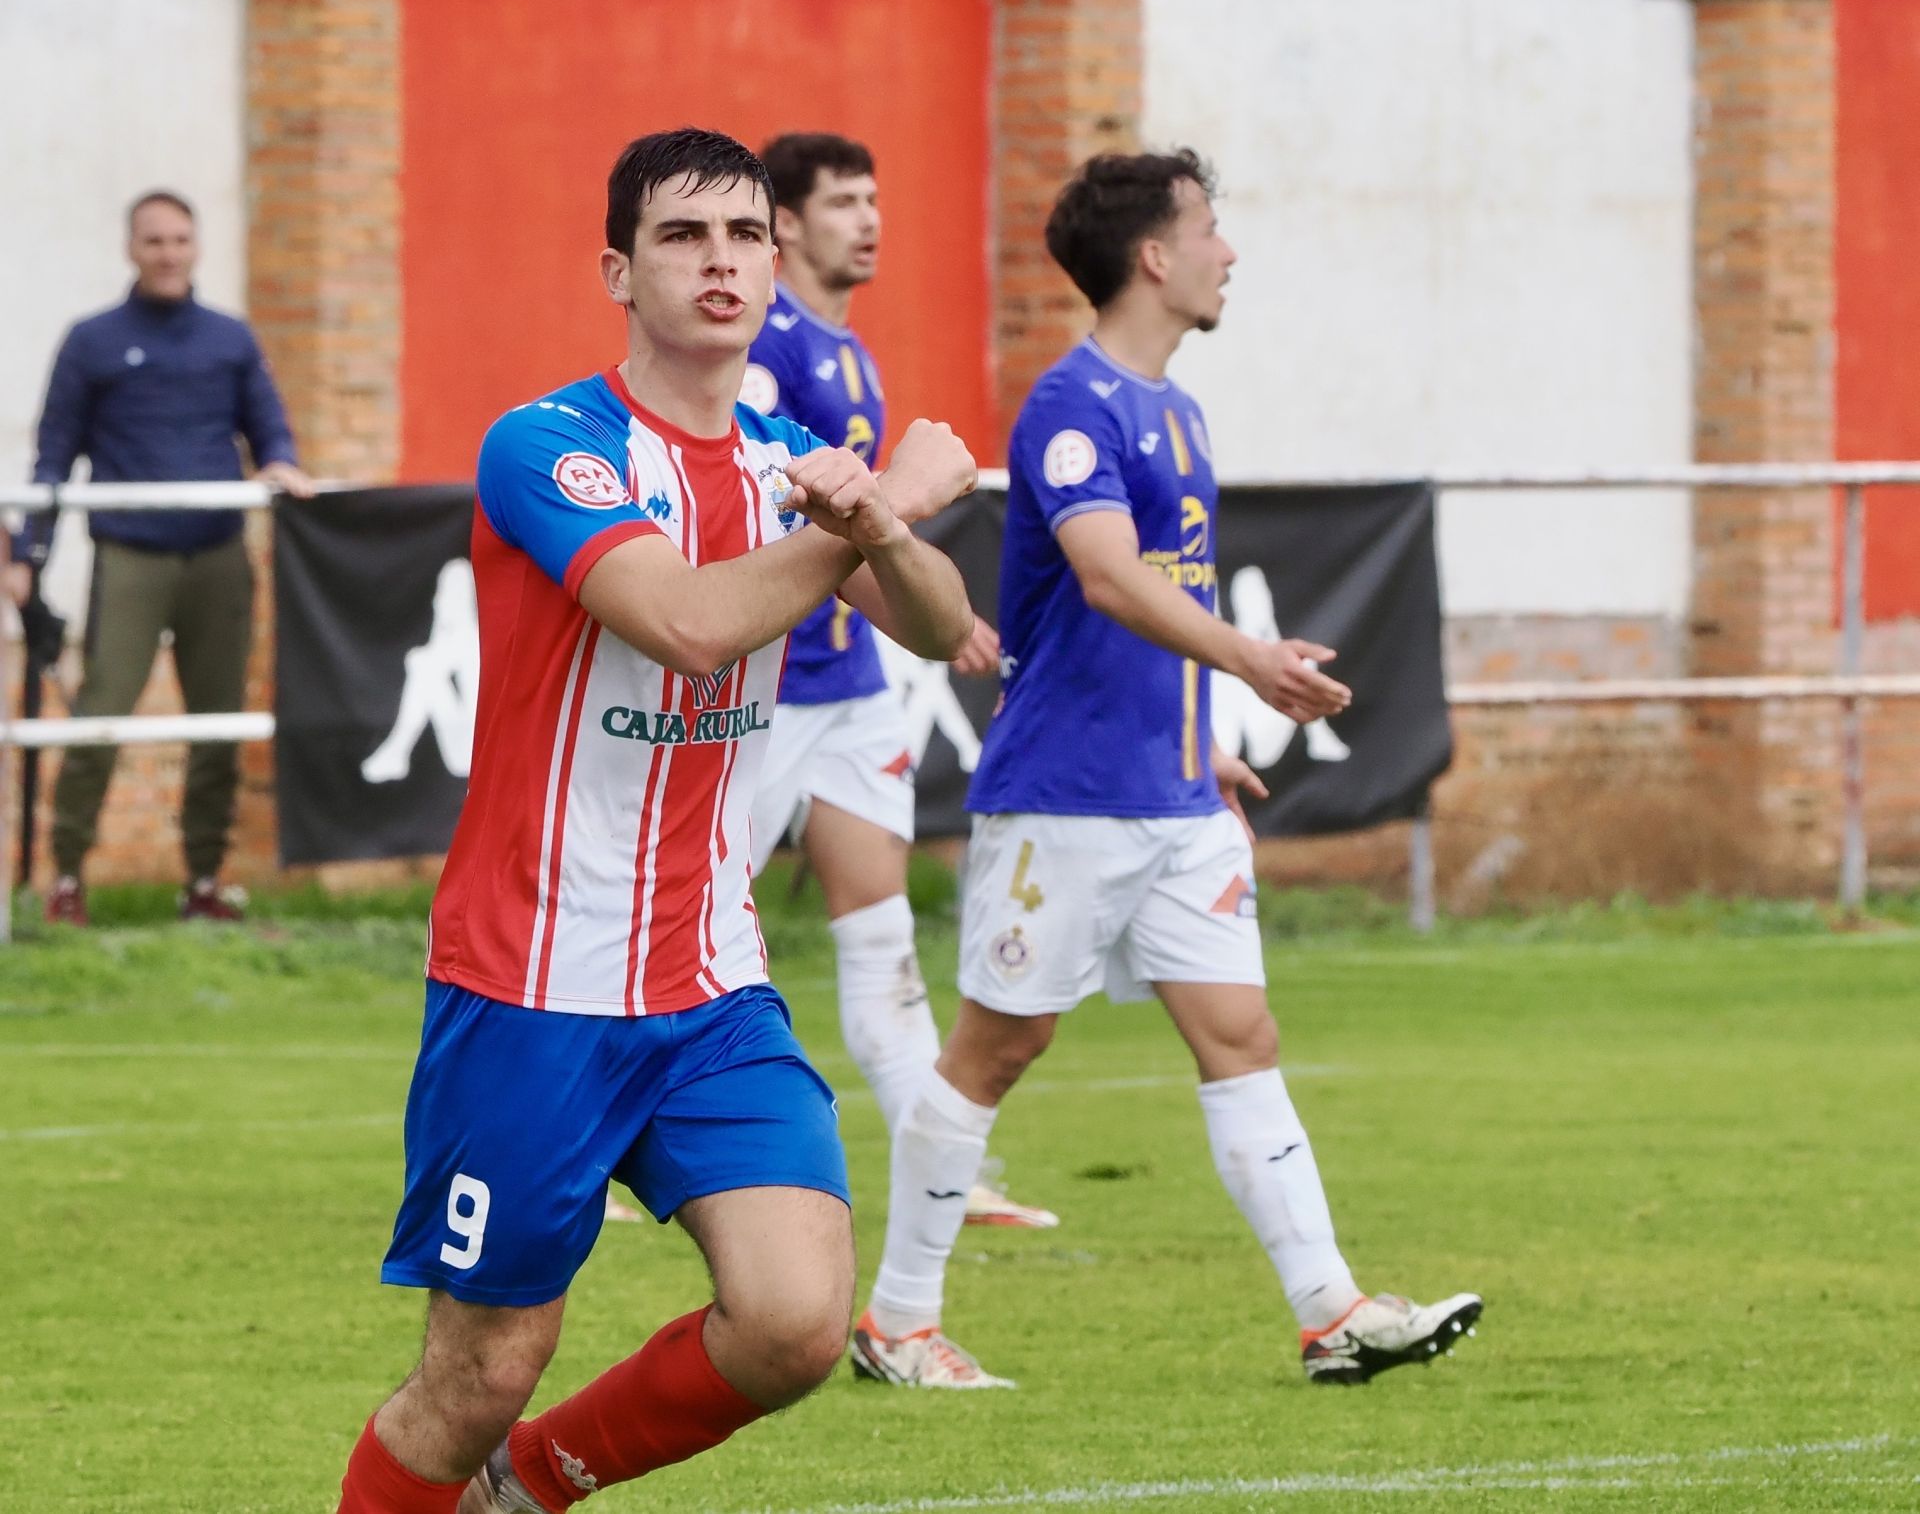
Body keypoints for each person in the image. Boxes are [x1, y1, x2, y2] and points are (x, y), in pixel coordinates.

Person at [333, 127, 978, 1514]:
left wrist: (882, 521)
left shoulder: (786, 453)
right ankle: (477, 1456)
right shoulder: (549, 446)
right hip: (531, 978)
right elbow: (685, 624)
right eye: (685, 236)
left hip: (706, 977)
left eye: (747, 234)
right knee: (484, 1366)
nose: (724, 260)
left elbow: (937, 625)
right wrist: (881, 505)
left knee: (798, 1321)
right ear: (620, 269)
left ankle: (529, 1487)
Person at [851, 150, 1482, 1390]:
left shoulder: (1179, 412)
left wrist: (1206, 739)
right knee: (998, 1047)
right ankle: (895, 1321)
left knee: (1242, 1034)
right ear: (1154, 255)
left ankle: (1331, 1310)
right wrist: (1249, 657)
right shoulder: (1071, 406)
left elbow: (1160, 601)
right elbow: (1105, 575)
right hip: (1066, 797)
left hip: (1177, 794)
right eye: (1210, 228)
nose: (1228, 251)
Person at [740, 131, 1053, 1231]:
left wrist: (931, 610)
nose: (869, 219)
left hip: (852, 685)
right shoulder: (768, 349)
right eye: (843, 202)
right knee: (689, 930)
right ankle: (602, 1147)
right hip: (762, 693)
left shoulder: (849, 348)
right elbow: (766, 510)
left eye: (876, 198)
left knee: (880, 936)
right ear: (784, 223)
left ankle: (945, 1170)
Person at [7, 189, 314, 925]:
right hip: (131, 554)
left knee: (219, 725)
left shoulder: (230, 339)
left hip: (217, 555)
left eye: (180, 239)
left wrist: (280, 464)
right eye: (154, 241)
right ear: (132, 249)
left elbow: (269, 430)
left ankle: (204, 885)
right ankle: (67, 881)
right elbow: (53, 456)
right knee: (97, 717)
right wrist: (27, 555)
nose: (168, 253)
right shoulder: (92, 341)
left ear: (196, 247)